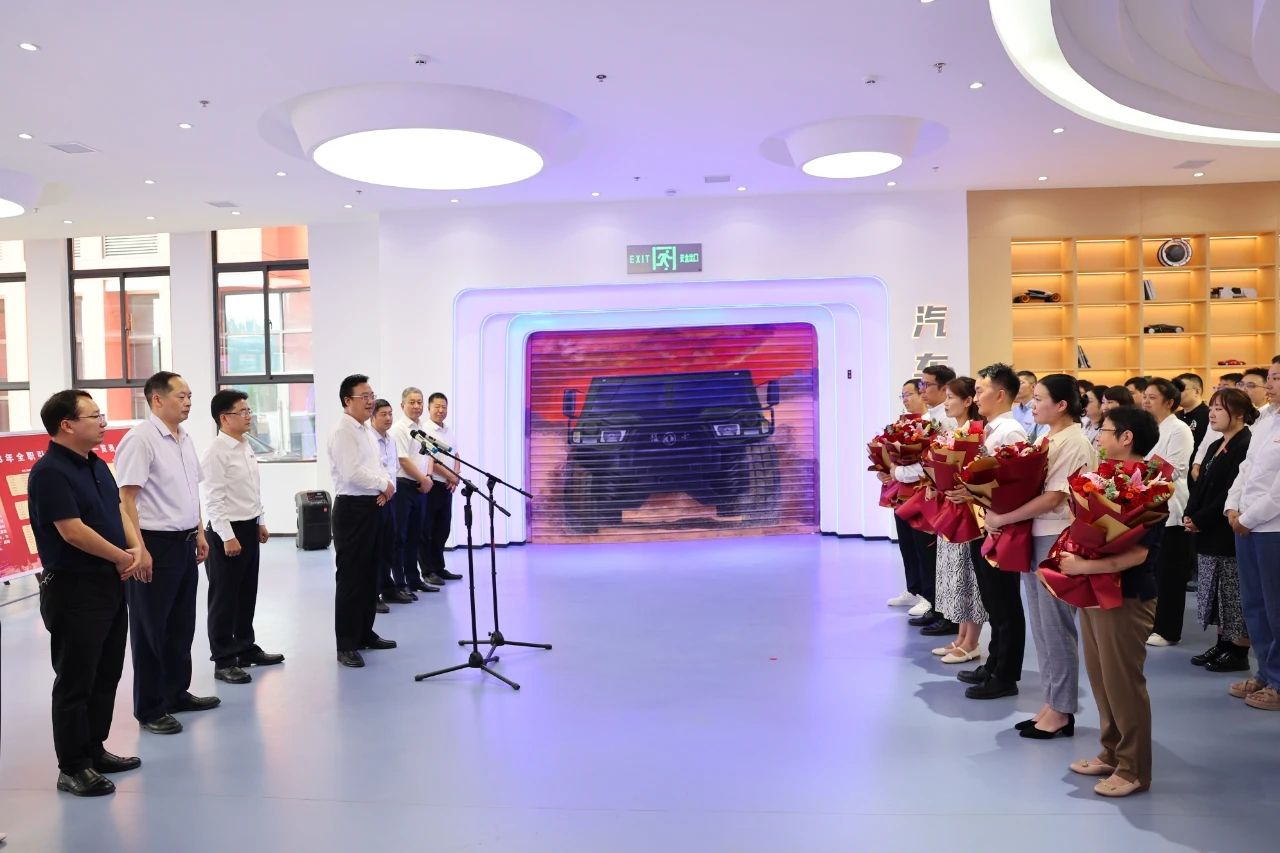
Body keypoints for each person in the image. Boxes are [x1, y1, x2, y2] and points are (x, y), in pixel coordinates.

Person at [29, 390, 144, 797]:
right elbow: (72, 531)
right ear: (67, 425)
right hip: (74, 588)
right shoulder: (49, 472)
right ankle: (73, 767)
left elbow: (117, 509)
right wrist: (122, 557)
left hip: (109, 583)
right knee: (76, 679)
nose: (103, 422)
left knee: (106, 672)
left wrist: (136, 547)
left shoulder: (95, 464)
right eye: (94, 416)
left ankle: (94, 749)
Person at [984, 374, 1096, 735]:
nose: (1032, 405)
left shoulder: (1075, 441)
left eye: (1039, 398)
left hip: (1057, 537)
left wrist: (1003, 517)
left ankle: (1062, 711)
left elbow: (1054, 498)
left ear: (1061, 405)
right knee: (1042, 626)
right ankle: (1051, 701)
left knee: (1056, 626)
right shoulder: (1047, 437)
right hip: (1036, 534)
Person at [1060, 406, 1162, 797]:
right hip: (1095, 590)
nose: (1098, 437)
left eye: (1104, 430)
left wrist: (1084, 565)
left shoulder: (1153, 485)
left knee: (1123, 683)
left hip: (1128, 594)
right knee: (1101, 678)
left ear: (1126, 437)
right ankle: (1111, 751)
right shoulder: (1103, 478)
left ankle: (1134, 769)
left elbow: (1139, 553)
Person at [116, 371, 218, 735]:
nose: (188, 402)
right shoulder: (140, 440)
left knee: (180, 625)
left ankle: (176, 693)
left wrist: (200, 532)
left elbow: (192, 493)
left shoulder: (185, 438)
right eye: (181, 396)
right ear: (157, 399)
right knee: (150, 629)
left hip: (185, 541)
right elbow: (126, 499)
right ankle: (149, 707)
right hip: (153, 544)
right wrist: (138, 549)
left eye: (190, 396)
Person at [947, 363, 1028, 700]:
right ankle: (993, 664)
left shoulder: (1011, 432)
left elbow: (1015, 487)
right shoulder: (989, 430)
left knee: (1005, 603)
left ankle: (1005, 675)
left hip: (1000, 526)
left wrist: (974, 492)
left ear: (1000, 394)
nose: (976, 396)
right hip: (984, 522)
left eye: (980, 391)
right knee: (993, 601)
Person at [201, 389, 281, 685]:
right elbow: (213, 499)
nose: (249, 416)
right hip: (227, 532)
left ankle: (245, 648)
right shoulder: (215, 452)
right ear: (225, 418)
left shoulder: (245, 445)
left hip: (248, 527)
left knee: (246, 592)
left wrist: (260, 521)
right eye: (243, 411)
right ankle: (223, 660)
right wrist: (227, 536)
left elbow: (252, 490)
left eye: (249, 411)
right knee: (224, 598)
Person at [328, 374, 397, 668]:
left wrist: (385, 488)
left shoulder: (366, 430)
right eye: (364, 397)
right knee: (351, 578)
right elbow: (351, 472)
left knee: (371, 574)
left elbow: (380, 467)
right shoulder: (343, 432)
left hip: (373, 505)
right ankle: (346, 644)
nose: (370, 401)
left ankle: (364, 633)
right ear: (348, 401)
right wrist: (383, 485)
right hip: (353, 509)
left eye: (372, 395)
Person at [1184, 388, 1256, 673]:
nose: (1212, 414)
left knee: (1232, 592)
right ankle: (1222, 643)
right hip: (1207, 528)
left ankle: (1238, 650)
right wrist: (1190, 513)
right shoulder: (1217, 443)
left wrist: (1201, 518)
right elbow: (1200, 484)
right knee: (1215, 591)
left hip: (1225, 527)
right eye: (1211, 408)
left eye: (1219, 409)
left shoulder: (1245, 443)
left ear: (1238, 414)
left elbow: (1229, 491)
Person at [1225, 356, 1280, 711]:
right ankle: (1266, 672)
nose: (1269, 384)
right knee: (1255, 605)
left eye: (1277, 378)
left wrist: (1250, 517)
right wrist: (1232, 507)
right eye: (1270, 377)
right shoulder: (1265, 419)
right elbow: (1246, 469)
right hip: (1246, 523)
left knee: (1276, 607)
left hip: (1272, 526)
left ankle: (1279, 682)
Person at [893, 365, 958, 632]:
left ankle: (946, 611)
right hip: (925, 493)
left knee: (937, 555)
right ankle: (934, 603)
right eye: (920, 386)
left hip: (940, 496)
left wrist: (899, 472)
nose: (922, 391)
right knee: (924, 553)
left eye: (926, 385)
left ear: (944, 388)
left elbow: (937, 461)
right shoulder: (929, 417)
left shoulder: (949, 420)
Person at [931, 377, 988, 664]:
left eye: (951, 397)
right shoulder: (953, 433)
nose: (946, 403)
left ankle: (972, 641)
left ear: (967, 401)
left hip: (971, 515)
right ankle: (962, 636)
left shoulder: (976, 434)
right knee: (955, 575)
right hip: (952, 509)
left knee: (969, 576)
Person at [1141, 378, 1195, 647]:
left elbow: (1174, 468)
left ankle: (1168, 630)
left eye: (1152, 397)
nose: (1146, 401)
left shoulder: (1179, 429)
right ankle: (1152, 623)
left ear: (1170, 402)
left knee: (1170, 573)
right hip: (1147, 504)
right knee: (1152, 570)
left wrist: (1139, 469)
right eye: (1145, 396)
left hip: (1171, 506)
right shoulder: (1148, 428)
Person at [389, 387, 440, 599]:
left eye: (419, 402)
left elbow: (429, 456)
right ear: (402, 405)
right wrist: (423, 479)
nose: (417, 406)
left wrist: (428, 477)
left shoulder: (421, 429)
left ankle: (414, 580)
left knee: (415, 536)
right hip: (404, 487)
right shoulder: (399, 429)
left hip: (420, 487)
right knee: (399, 538)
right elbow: (403, 459)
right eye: (412, 402)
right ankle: (399, 584)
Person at [885, 379, 928, 609]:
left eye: (909, 394)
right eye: (902, 395)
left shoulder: (932, 424)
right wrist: (886, 469)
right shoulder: (902, 424)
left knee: (922, 545)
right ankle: (913, 588)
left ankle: (927, 595)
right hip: (902, 492)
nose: (905, 399)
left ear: (922, 394)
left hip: (922, 493)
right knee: (906, 544)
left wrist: (899, 471)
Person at [420, 392, 463, 586]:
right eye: (436, 406)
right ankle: (427, 570)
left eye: (444, 407)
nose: (440, 410)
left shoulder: (449, 430)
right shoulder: (425, 430)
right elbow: (430, 459)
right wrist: (450, 476)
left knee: (442, 528)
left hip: (447, 485)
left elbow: (457, 455)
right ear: (429, 408)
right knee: (427, 529)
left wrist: (455, 476)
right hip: (433, 484)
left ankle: (439, 567)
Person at [370, 398, 407, 610]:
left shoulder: (391, 440)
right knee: (375, 550)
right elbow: (373, 470)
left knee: (389, 547)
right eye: (383, 414)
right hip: (375, 499)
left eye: (390, 414)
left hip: (390, 498)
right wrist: (383, 491)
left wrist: (389, 492)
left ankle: (387, 588)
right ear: (373, 417)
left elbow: (393, 468)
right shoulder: (368, 440)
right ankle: (373, 594)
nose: (388, 418)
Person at [1175, 373, 1210, 459]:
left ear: (1197, 391)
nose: (1176, 394)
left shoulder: (1209, 416)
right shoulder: (1175, 416)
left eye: (1180, 389)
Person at [1011, 370, 1039, 440]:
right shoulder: (1013, 411)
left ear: (1033, 387)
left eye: (1020, 383)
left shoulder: (1039, 410)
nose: (1015, 387)